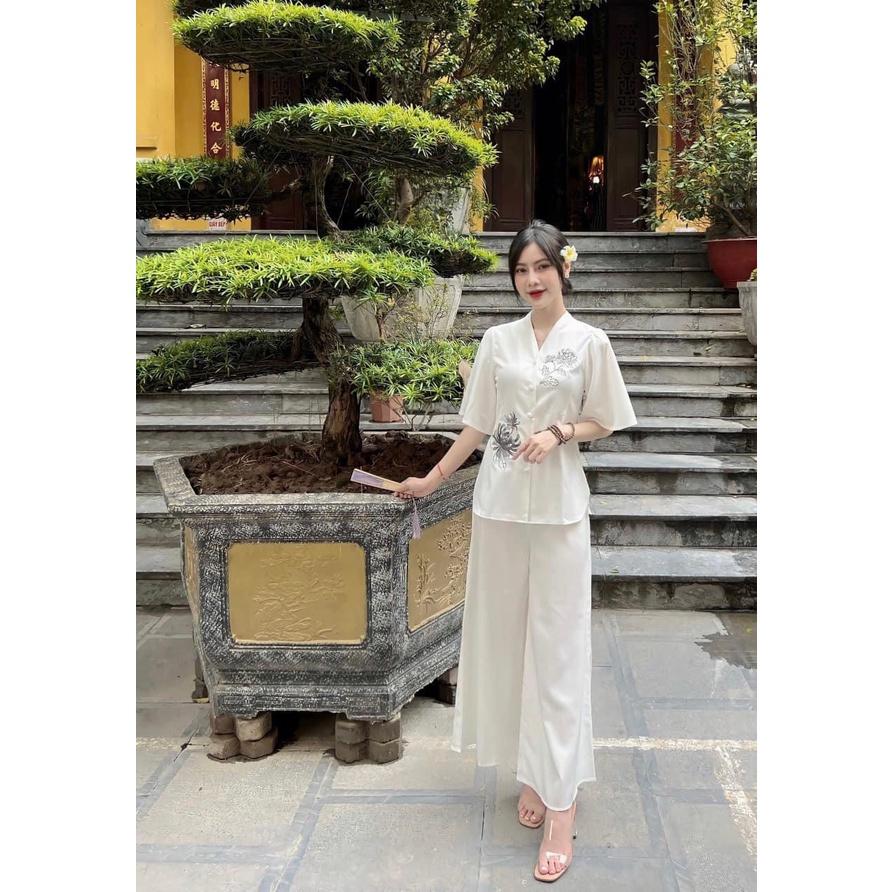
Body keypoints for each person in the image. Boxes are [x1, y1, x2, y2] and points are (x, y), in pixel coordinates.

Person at [395, 219, 637, 883]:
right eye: (521, 270)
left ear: (564, 269)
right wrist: (432, 479)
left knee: (558, 654)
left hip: (559, 515)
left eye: (542, 267)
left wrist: (561, 430)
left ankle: (561, 803)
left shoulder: (590, 343)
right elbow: (478, 424)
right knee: (507, 646)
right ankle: (532, 770)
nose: (532, 280)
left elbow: (605, 419)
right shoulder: (497, 341)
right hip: (498, 510)